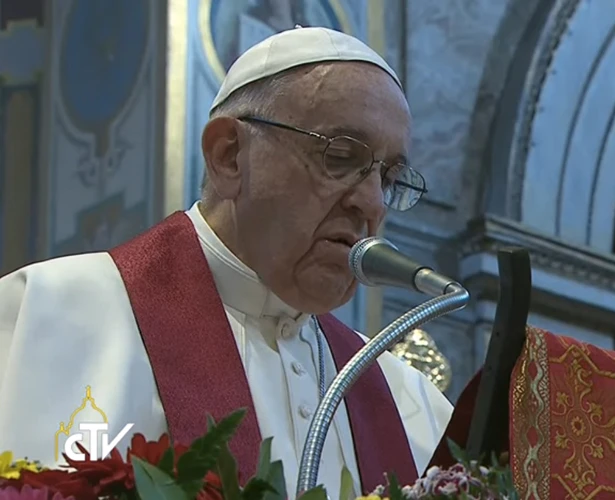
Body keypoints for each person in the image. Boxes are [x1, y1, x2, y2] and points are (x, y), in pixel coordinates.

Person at [0, 26, 452, 497]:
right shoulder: (50, 316)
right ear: (229, 156)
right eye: (340, 156)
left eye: (390, 177)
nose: (371, 202)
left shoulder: (410, 405)